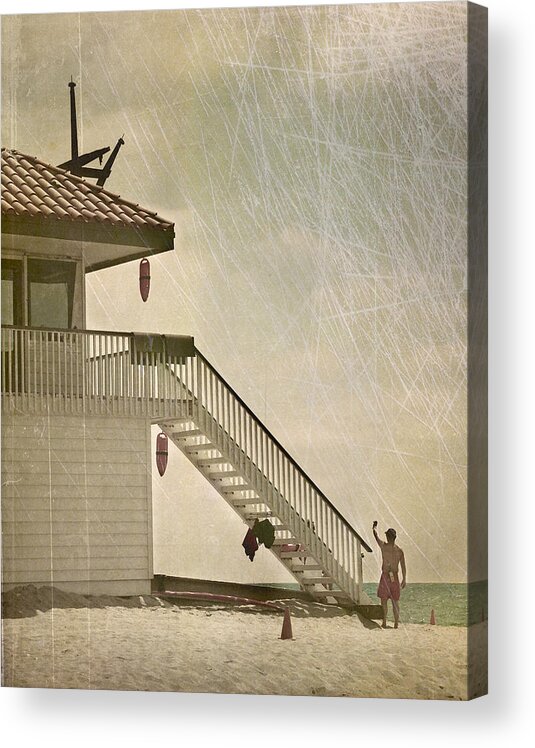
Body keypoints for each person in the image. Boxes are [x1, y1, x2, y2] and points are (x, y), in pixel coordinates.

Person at [372, 521, 406, 629]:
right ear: (395, 537)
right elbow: (403, 566)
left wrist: (374, 527)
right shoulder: (399, 550)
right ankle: (396, 623)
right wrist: (404, 578)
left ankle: (385, 622)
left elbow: (375, 536)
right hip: (395, 577)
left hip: (386, 576)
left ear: (387, 536)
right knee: (395, 602)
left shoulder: (384, 546)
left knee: (384, 600)